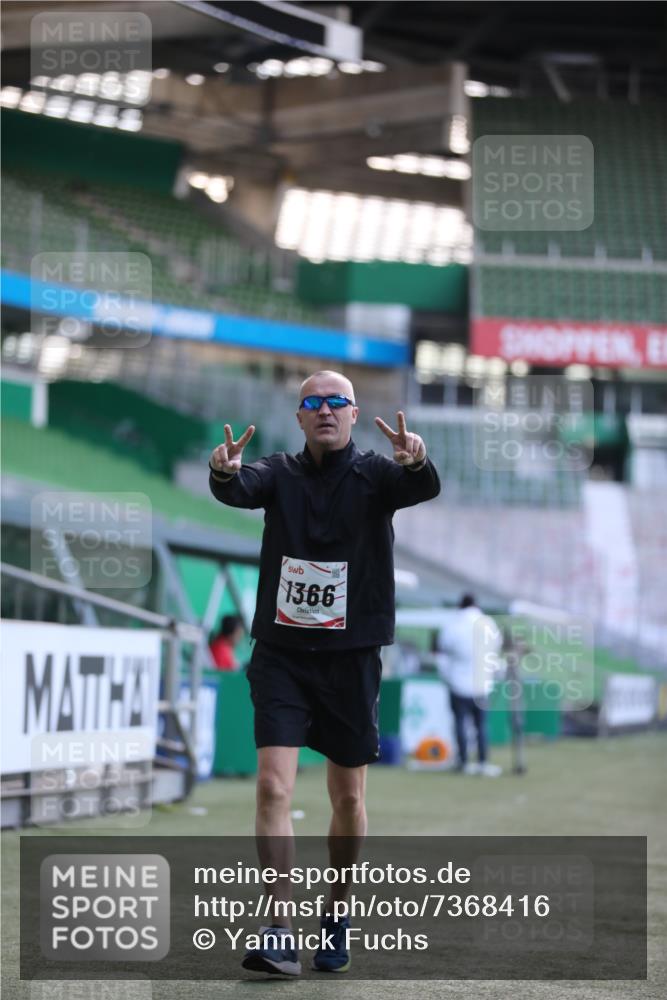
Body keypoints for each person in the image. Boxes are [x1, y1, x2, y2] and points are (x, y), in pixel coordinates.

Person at [208, 370, 440, 976]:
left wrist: (415, 461)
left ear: (354, 413)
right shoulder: (278, 472)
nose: (325, 410)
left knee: (347, 797)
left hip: (351, 658)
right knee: (272, 787)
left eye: (337, 401)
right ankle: (279, 923)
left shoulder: (376, 477)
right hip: (282, 655)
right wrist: (224, 470)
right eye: (313, 402)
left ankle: (336, 911)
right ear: (301, 417)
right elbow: (237, 488)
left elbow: (422, 486)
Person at [436, 594, 503, 777]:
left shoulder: (453, 624)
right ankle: (483, 762)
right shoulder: (488, 622)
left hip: (458, 682)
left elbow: (443, 648)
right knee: (481, 725)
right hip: (482, 683)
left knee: (460, 723)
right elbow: (495, 648)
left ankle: (463, 761)